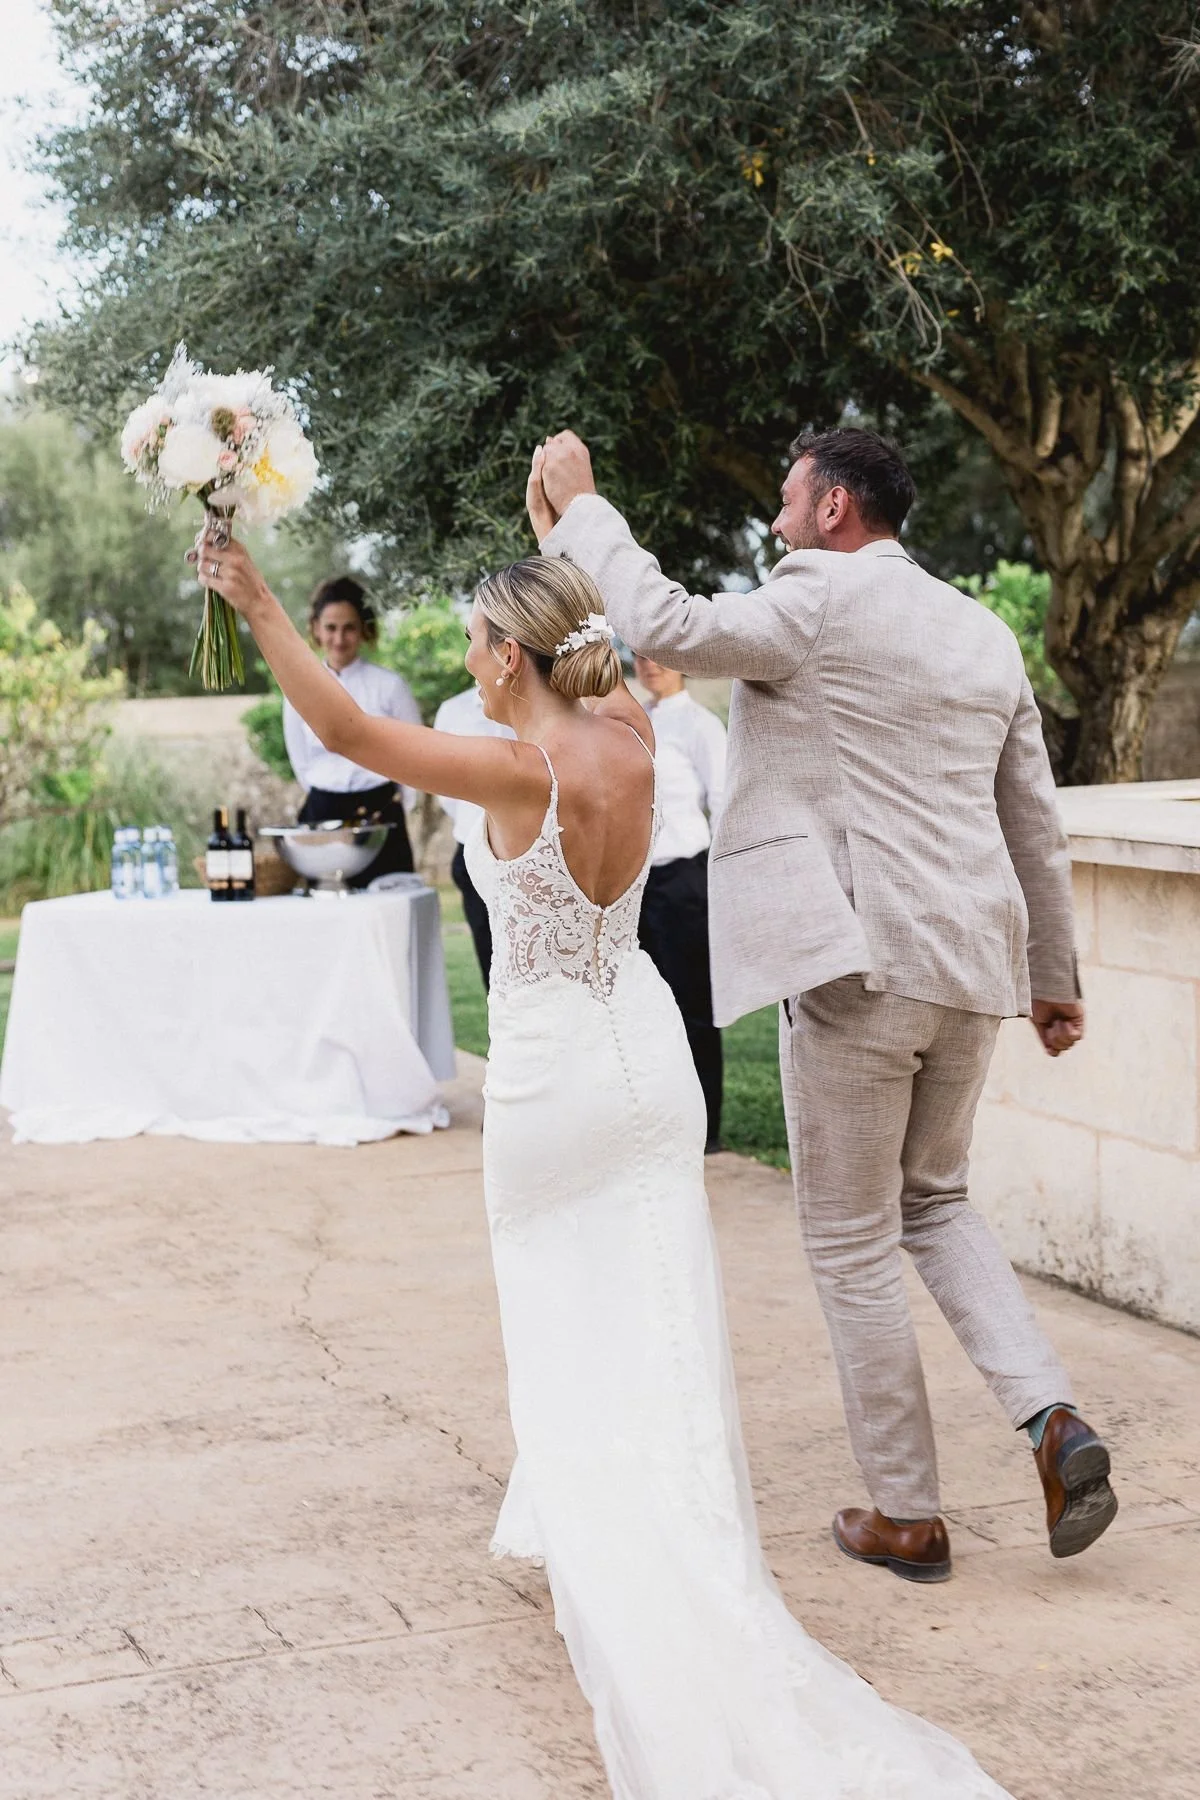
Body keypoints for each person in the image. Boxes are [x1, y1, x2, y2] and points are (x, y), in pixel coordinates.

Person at [192, 504, 1018, 1798]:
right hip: (649, 1054)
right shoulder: (630, 734)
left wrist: (256, 603)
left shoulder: (517, 771)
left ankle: (611, 1527)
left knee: (560, 1301)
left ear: (511, 657)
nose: (465, 655)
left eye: (475, 638)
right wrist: (561, 540)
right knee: (660, 1304)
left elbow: (348, 736)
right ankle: (650, 1506)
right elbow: (606, 656)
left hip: (555, 1075)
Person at [534, 424, 1116, 1585]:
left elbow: (668, 628)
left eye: (791, 505)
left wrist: (588, 509)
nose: (779, 526)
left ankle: (906, 1513)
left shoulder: (815, 598)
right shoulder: (982, 631)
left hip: (860, 965)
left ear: (838, 510)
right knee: (938, 1205)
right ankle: (1052, 1418)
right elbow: (1033, 820)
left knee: (851, 1243)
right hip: (972, 970)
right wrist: (1054, 976)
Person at [632, 653, 727, 1150]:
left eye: (659, 656)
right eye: (639, 655)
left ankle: (707, 1125)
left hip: (684, 878)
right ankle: (658, 1118)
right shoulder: (634, 719)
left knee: (692, 1002)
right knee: (645, 1004)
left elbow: (724, 799)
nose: (648, 665)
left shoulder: (699, 724)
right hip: (635, 882)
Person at [283, 575, 422, 886]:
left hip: (380, 811)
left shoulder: (390, 686)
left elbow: (416, 756)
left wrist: (395, 806)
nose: (339, 638)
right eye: (331, 628)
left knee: (390, 911)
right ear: (316, 629)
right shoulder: (298, 689)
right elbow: (301, 760)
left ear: (363, 629)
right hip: (322, 810)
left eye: (349, 628)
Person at [432, 683, 514, 987]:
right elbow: (444, 789)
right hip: (472, 852)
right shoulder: (452, 711)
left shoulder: (536, 702)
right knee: (491, 972)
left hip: (528, 861)